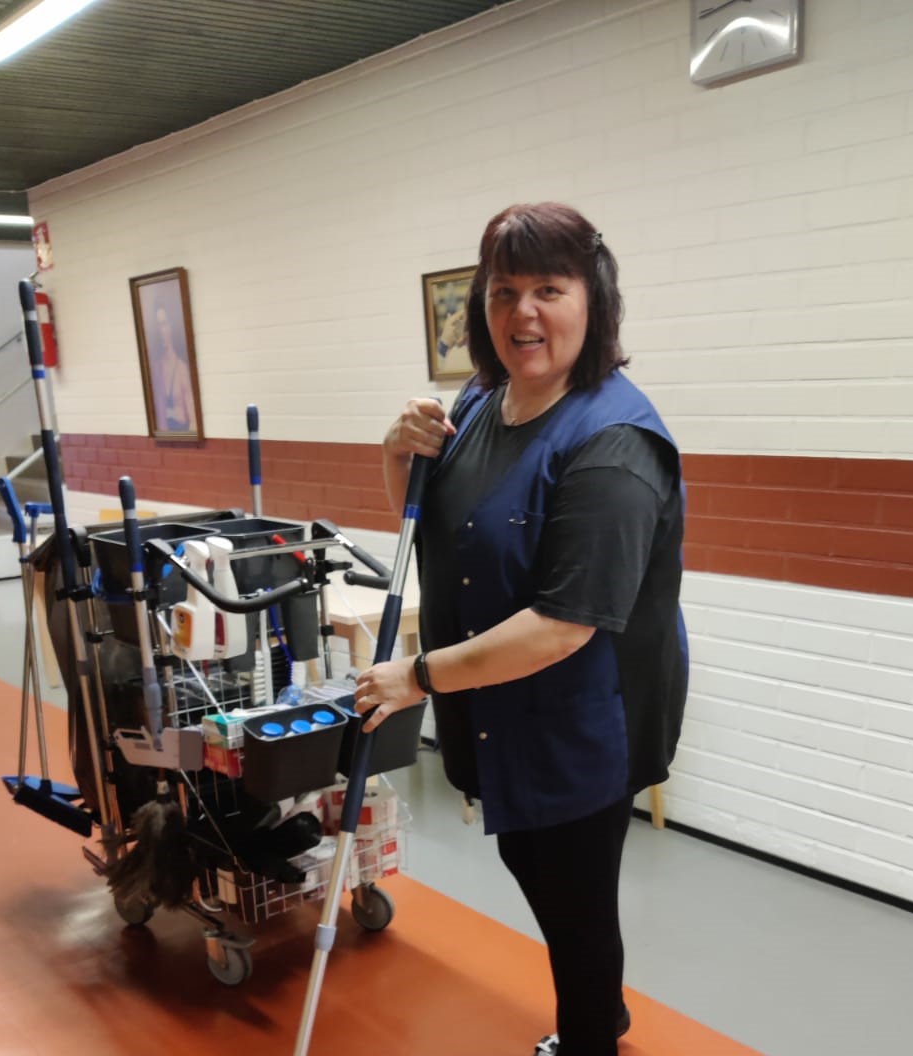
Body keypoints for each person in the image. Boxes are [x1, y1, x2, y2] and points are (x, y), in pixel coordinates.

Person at [354, 202, 689, 1056]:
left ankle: (591, 1036)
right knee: (532, 863)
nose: (523, 313)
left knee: (576, 901)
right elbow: (430, 526)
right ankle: (600, 1010)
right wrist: (397, 454)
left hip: (583, 714)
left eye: (549, 289)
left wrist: (415, 677)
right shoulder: (480, 401)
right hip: (499, 700)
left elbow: (562, 628)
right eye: (504, 291)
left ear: (593, 299)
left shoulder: (614, 444)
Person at [149, 303, 195, 433]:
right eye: (157, 326)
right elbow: (160, 417)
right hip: (166, 435)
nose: (160, 331)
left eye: (163, 324)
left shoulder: (182, 369)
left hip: (184, 432)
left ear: (170, 326)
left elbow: (194, 420)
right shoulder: (156, 369)